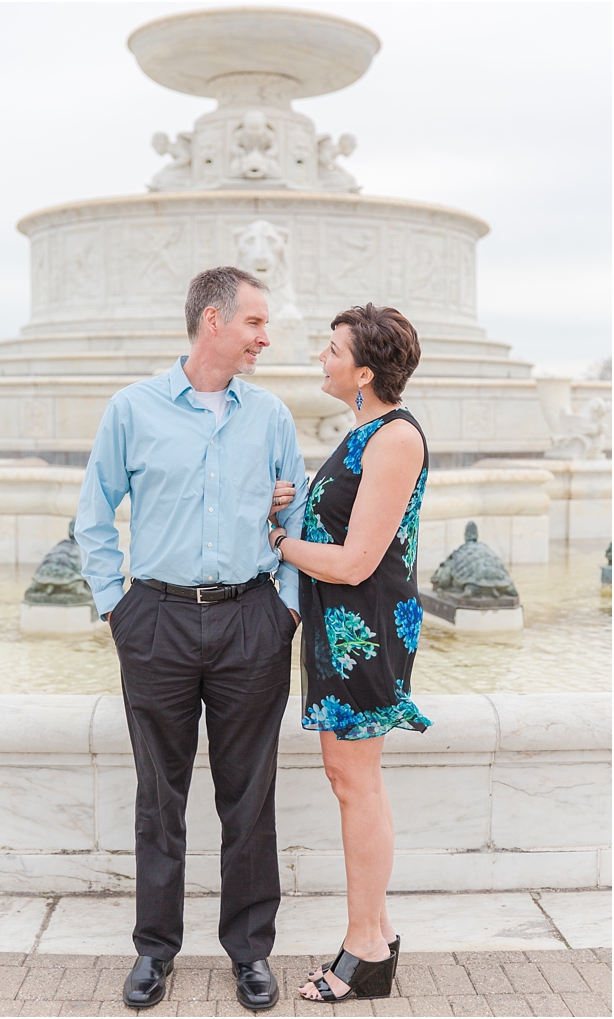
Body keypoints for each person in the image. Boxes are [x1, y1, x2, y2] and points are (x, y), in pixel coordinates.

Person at [76, 266, 306, 1013]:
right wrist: (118, 607)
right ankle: (155, 953)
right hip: (157, 621)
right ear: (213, 321)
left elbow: (295, 513)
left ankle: (250, 953)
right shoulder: (132, 410)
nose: (265, 336)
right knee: (158, 797)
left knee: (249, 797)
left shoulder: (270, 414)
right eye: (255, 323)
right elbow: (94, 515)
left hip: (252, 619)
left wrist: (287, 609)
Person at [266, 304, 431, 1004]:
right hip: (343, 628)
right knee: (349, 777)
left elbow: (358, 560)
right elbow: (341, 516)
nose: (320, 360)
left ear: (364, 370)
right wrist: (292, 501)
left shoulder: (393, 437)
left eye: (331, 350)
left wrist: (278, 544)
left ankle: (364, 947)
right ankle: (378, 935)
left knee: (355, 782)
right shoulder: (363, 430)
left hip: (364, 628)